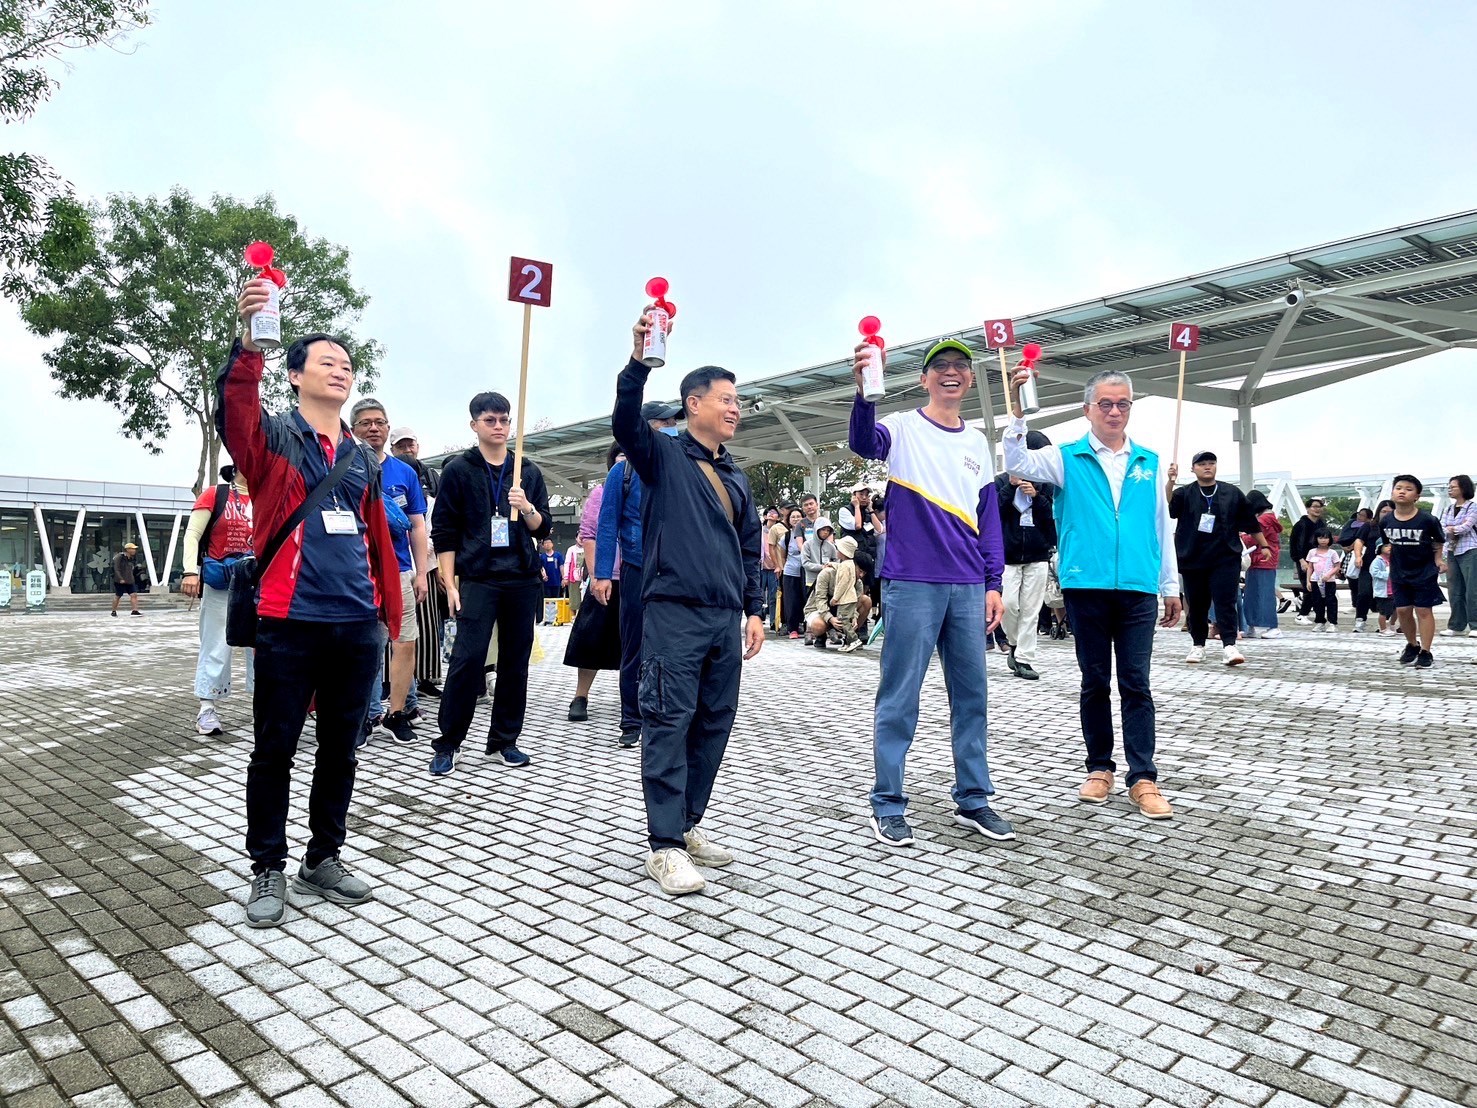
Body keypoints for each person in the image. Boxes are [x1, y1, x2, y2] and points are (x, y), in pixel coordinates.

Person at [222, 281, 403, 929]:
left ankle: (322, 858)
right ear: (295, 374)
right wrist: (249, 344)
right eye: (326, 360)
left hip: (355, 626)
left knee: (341, 750)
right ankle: (267, 866)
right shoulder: (270, 441)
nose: (340, 368)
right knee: (274, 750)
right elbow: (236, 407)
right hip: (287, 623)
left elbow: (379, 536)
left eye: (346, 363)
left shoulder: (361, 456)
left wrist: (390, 620)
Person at [612, 306, 764, 896]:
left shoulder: (738, 477)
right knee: (669, 723)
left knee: (713, 725)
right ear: (693, 404)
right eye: (725, 398)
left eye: (738, 400)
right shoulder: (660, 456)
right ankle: (664, 845)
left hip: (726, 619)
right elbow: (626, 421)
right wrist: (636, 362)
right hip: (672, 613)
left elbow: (749, 550)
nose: (735, 408)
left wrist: (754, 609)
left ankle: (688, 823)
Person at [850, 336, 1011, 847]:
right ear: (923, 378)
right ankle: (888, 802)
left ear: (968, 379)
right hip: (913, 581)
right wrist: (864, 392)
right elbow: (862, 442)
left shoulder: (977, 441)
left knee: (972, 697)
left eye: (960, 367)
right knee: (900, 696)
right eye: (939, 366)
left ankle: (974, 799)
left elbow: (989, 517)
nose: (950, 373)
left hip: (967, 585)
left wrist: (993, 581)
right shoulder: (900, 427)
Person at [1005, 364, 1181, 820]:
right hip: (1087, 585)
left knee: (1136, 684)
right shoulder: (1066, 458)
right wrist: (1019, 413)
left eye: (1123, 403)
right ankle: (1099, 767)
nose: (1115, 411)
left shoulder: (1149, 462)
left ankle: (1143, 777)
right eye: (1106, 403)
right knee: (1094, 681)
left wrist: (1170, 585)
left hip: (1138, 587)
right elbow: (1017, 463)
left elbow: (1161, 527)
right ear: (1088, 409)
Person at [429, 391, 552, 775]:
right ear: (474, 425)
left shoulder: (526, 470)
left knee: (516, 664)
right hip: (479, 578)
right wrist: (450, 584)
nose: (498, 427)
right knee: (467, 661)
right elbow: (444, 533)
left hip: (521, 577)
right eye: (490, 420)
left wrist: (526, 506)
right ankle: (449, 742)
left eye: (503, 420)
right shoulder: (459, 470)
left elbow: (544, 528)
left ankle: (503, 740)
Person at [595, 404, 684, 747]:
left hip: (676, 570)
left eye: (675, 422)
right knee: (633, 647)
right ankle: (631, 720)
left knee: (674, 646)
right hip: (635, 568)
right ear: (647, 428)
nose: (673, 427)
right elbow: (606, 525)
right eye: (666, 422)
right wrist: (603, 573)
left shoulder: (682, 466)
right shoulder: (623, 473)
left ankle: (667, 715)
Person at [350, 399, 429, 745]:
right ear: (353, 429)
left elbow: (417, 525)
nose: (373, 428)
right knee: (362, 646)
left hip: (398, 571)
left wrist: (422, 571)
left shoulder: (405, 473)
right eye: (365, 422)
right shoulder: (343, 466)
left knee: (404, 641)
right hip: (356, 572)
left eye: (379, 422)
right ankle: (363, 717)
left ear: (387, 427)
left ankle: (397, 713)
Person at [1166, 451, 1267, 666]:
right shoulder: (1185, 493)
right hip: (1193, 557)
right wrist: (1170, 482)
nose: (1207, 467)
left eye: (1211, 463)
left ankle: (1229, 645)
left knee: (1226, 601)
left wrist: (1264, 545)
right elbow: (1170, 507)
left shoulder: (1231, 492)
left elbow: (1249, 521)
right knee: (1197, 603)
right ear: (1193, 468)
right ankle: (1198, 645)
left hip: (1225, 557)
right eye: (1202, 464)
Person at [181, 465, 255, 735]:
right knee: (216, 643)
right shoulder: (215, 494)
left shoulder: (267, 494)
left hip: (259, 581)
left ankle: (265, 706)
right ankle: (207, 708)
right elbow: (193, 535)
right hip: (220, 580)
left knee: (263, 646)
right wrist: (190, 571)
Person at [565, 445, 624, 724]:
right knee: (592, 638)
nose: (626, 463)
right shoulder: (600, 494)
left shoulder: (651, 491)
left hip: (640, 579)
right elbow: (589, 535)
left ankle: (633, 697)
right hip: (606, 578)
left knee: (635, 640)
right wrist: (597, 576)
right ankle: (580, 695)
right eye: (620, 458)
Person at [995, 435, 1056, 680]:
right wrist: (1011, 487)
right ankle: (1013, 643)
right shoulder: (1000, 481)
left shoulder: (1048, 484)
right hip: (1007, 556)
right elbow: (991, 513)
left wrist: (1038, 497)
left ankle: (1025, 659)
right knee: (1008, 605)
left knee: (1031, 609)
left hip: (1037, 554)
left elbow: (1052, 520)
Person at [1374, 474, 1447, 669]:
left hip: (1424, 571)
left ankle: (1426, 651)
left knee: (1423, 610)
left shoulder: (1427, 519)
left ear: (1417, 496)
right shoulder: (1386, 520)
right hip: (1399, 572)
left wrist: (1438, 560)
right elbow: (1386, 541)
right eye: (1398, 488)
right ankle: (1412, 645)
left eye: (1408, 489)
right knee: (1403, 610)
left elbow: (1439, 540)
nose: (1402, 491)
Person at [804, 540, 873, 651]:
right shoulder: (827, 573)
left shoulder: (858, 582)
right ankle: (820, 636)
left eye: (864, 573)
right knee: (819, 625)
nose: (861, 575)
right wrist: (830, 618)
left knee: (866, 600)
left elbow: (856, 602)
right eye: (860, 571)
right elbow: (819, 600)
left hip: (843, 610)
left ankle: (850, 637)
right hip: (819, 609)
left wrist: (854, 617)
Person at [1240, 489, 1283, 639]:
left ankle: (1272, 626)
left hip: (1262, 561)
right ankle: (1251, 625)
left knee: (1262, 595)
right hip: (1261, 562)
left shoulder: (1263, 520)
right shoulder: (1269, 518)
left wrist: (1240, 536)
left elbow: (1252, 538)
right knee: (1255, 594)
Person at [1440, 475, 1477, 637]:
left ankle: (1475, 624)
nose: (1450, 489)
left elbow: (1466, 527)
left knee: (1472, 589)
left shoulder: (1472, 507)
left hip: (1470, 549)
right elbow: (1441, 528)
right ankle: (1456, 624)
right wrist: (1452, 528)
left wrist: (1451, 528)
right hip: (1452, 550)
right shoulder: (1448, 508)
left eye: (1453, 486)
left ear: (1463, 488)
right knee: (1454, 588)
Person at [1290, 497, 1328, 623]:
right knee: (1309, 587)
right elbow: (1294, 544)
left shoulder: (1321, 524)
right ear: (1308, 508)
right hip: (1305, 561)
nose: (1317, 509)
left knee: (1317, 587)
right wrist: (1301, 560)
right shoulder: (1301, 524)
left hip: (1319, 560)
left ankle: (1312, 614)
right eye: (1314, 506)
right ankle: (1302, 615)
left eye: (1319, 507)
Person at [1302, 528, 1342, 632]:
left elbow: (1337, 566)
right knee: (1317, 602)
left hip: (1329, 581)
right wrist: (1308, 581)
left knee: (1330, 601)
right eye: (1320, 538)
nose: (1323, 540)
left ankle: (1332, 623)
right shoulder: (1312, 552)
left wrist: (1329, 575)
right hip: (1315, 580)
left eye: (1326, 538)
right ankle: (1320, 622)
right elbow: (1310, 567)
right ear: (1316, 539)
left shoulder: (1332, 553)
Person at [779, 507, 808, 639]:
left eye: (798, 516)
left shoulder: (808, 533)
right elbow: (782, 555)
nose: (796, 519)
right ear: (788, 520)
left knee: (806, 599)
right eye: (793, 517)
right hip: (790, 571)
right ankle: (792, 629)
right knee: (791, 601)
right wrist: (782, 568)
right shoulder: (786, 536)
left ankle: (807, 627)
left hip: (807, 571)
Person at [758, 505, 781, 628]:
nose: (772, 514)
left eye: (774, 512)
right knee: (758, 595)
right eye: (769, 512)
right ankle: (757, 618)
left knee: (773, 596)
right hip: (761, 567)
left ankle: (773, 621)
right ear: (765, 516)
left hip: (774, 568)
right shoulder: (759, 531)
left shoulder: (780, 530)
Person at [1370, 542, 1397, 634]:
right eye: (1386, 546)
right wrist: (1389, 575)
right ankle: (1383, 629)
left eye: (1391, 545)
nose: (1389, 548)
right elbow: (1374, 572)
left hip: (1395, 590)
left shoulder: (1394, 560)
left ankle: (1392, 625)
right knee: (1384, 611)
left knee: (1397, 609)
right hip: (1383, 591)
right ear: (1380, 548)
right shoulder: (1378, 560)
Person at [111, 542, 142, 616]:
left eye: (135, 549)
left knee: (134, 594)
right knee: (118, 595)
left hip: (129, 580)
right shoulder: (119, 557)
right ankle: (113, 611)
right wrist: (120, 578)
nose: (134, 550)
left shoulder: (131, 558)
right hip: (120, 581)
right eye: (133, 549)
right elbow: (116, 569)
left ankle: (135, 610)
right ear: (128, 549)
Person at [539, 539, 565, 608]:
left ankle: (556, 616)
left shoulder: (558, 555)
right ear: (543, 546)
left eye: (549, 542)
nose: (547, 544)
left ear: (552, 544)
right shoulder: (542, 557)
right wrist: (543, 575)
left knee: (556, 599)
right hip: (546, 583)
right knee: (547, 600)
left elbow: (561, 566)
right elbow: (540, 567)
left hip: (556, 582)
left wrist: (563, 578)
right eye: (545, 543)